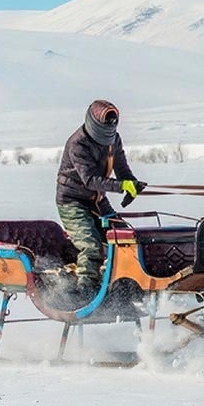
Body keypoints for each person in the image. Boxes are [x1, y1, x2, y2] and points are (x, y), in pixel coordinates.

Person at [55, 99, 146, 293]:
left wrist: (131, 183)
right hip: (73, 202)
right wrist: (121, 186)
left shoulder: (115, 139)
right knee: (91, 246)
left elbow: (121, 168)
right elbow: (90, 180)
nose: (110, 126)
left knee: (126, 239)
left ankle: (122, 284)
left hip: (98, 201)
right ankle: (84, 291)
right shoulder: (77, 144)